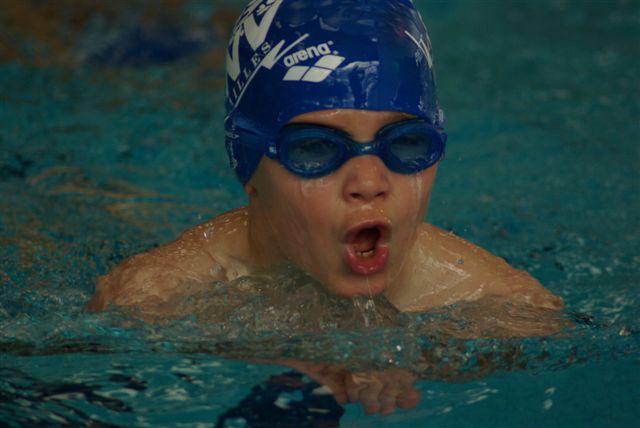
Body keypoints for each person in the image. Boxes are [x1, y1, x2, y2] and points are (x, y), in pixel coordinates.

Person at [87, 0, 563, 321]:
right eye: (315, 149)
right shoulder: (152, 298)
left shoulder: (501, 305)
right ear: (248, 166)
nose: (369, 183)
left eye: (406, 144)